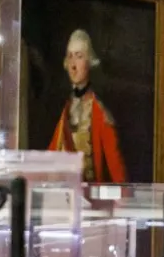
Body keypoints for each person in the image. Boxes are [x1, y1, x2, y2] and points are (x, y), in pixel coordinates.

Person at [49, 29, 127, 183]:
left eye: (79, 57)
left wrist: (124, 202)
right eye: (70, 56)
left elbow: (116, 168)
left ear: (89, 62)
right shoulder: (67, 109)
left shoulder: (100, 113)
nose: (73, 65)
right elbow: (52, 153)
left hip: (95, 198)